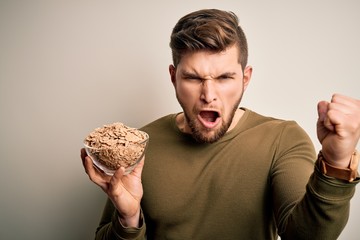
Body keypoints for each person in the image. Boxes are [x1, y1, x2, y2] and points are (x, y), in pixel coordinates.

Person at [81, 8, 360, 240]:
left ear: (245, 78)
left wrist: (336, 162)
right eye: (193, 78)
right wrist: (128, 219)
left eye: (224, 78)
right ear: (173, 77)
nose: (208, 95)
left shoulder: (282, 139)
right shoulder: (140, 145)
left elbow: (305, 237)